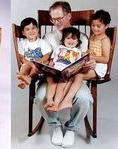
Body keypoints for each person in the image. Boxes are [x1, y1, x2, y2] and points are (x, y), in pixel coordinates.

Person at [34, 1, 96, 148]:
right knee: (41, 97)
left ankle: (72, 128)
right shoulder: (48, 38)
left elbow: (85, 61)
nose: (56, 22)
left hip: (75, 79)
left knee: (84, 98)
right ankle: (55, 125)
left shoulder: (82, 38)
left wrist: (89, 64)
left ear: (69, 15)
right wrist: (46, 64)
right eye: (53, 19)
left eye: (59, 18)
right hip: (52, 79)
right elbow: (46, 57)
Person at [59, 9, 111, 112]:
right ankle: (62, 99)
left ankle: (68, 99)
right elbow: (91, 51)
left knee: (79, 75)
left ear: (106, 26)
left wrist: (90, 56)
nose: (95, 28)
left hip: (100, 67)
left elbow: (106, 59)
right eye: (93, 25)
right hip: (91, 63)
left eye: (98, 26)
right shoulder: (92, 36)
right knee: (71, 73)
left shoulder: (105, 39)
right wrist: (87, 54)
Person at [44, 27, 82, 112]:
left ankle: (56, 104)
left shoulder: (78, 52)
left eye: (74, 38)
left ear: (78, 41)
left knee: (61, 86)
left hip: (65, 73)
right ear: (63, 39)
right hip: (55, 70)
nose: (70, 41)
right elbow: (52, 59)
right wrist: (51, 63)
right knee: (51, 81)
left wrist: (73, 70)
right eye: (68, 38)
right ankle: (49, 100)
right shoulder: (59, 48)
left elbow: (78, 65)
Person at [17, 17, 51, 89]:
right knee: (24, 67)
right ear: (23, 33)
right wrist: (31, 64)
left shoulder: (43, 42)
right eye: (27, 29)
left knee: (35, 68)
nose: (31, 31)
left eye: (33, 28)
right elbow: (21, 58)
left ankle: (28, 77)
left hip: (40, 64)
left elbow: (47, 55)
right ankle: (22, 82)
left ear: (38, 30)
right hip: (28, 63)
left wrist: (37, 63)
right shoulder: (22, 43)